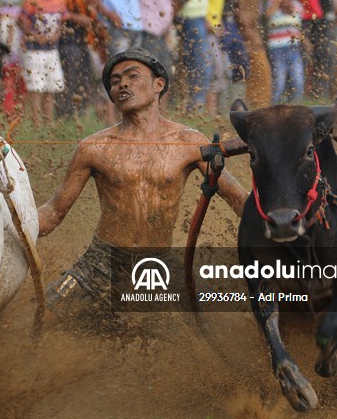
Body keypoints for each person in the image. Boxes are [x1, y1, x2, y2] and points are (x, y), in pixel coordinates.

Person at [36, 47, 246, 331]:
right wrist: (4, 219)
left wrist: (284, 228)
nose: (122, 84)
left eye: (132, 76)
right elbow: (51, 214)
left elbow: (238, 200)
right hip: (101, 263)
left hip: (160, 265)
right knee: (40, 320)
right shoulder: (93, 148)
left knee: (214, 326)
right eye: (114, 80)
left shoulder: (189, 141)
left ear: (159, 84)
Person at [54, 0, 111, 120]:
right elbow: (53, 6)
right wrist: (77, 17)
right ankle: (65, 118)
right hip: (66, 31)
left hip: (84, 31)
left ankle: (78, 118)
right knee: (70, 75)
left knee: (84, 76)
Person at [20, 0, 68, 127]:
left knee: (51, 87)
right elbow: (22, 21)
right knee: (36, 88)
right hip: (34, 51)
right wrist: (33, 35)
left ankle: (49, 121)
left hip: (52, 50)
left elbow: (62, 21)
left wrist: (56, 35)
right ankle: (36, 122)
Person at [231, 0, 272, 108]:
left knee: (257, 71)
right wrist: (245, 28)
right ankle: (251, 107)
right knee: (256, 69)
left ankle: (257, 106)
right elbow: (235, 3)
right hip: (241, 29)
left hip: (253, 27)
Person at [267, 0, 310, 103]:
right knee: (278, 82)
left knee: (298, 80)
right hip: (277, 48)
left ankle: (294, 107)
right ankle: (273, 108)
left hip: (294, 48)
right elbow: (267, 15)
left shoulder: (298, 6)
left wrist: (305, 41)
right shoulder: (273, 0)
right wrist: (280, 0)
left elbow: (296, 28)